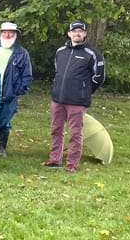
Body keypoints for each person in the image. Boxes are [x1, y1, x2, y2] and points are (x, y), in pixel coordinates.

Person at [43, 20, 105, 174]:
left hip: (77, 101)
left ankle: (72, 164)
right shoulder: (60, 51)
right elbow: (58, 71)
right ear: (69, 33)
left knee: (75, 133)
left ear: (84, 34)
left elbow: (99, 77)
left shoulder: (92, 54)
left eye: (80, 31)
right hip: (58, 99)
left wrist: (85, 90)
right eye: (74, 31)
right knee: (56, 129)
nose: (77, 34)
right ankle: (54, 159)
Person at [0, 22, 33, 156]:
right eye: (5, 32)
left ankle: (1, 147)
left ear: (15, 35)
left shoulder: (21, 53)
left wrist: (17, 91)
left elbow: (27, 75)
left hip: (9, 93)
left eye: (10, 33)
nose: (7, 35)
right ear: (0, 33)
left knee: (4, 120)